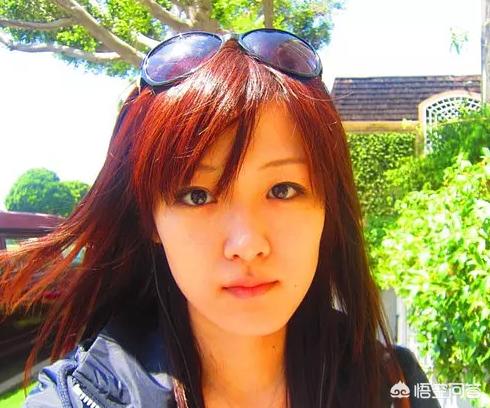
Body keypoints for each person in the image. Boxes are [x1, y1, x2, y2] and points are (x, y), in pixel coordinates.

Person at [0, 29, 440, 408]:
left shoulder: (392, 385)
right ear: (150, 219)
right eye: (197, 195)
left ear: (328, 206)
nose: (247, 244)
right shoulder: (77, 398)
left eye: (283, 190)